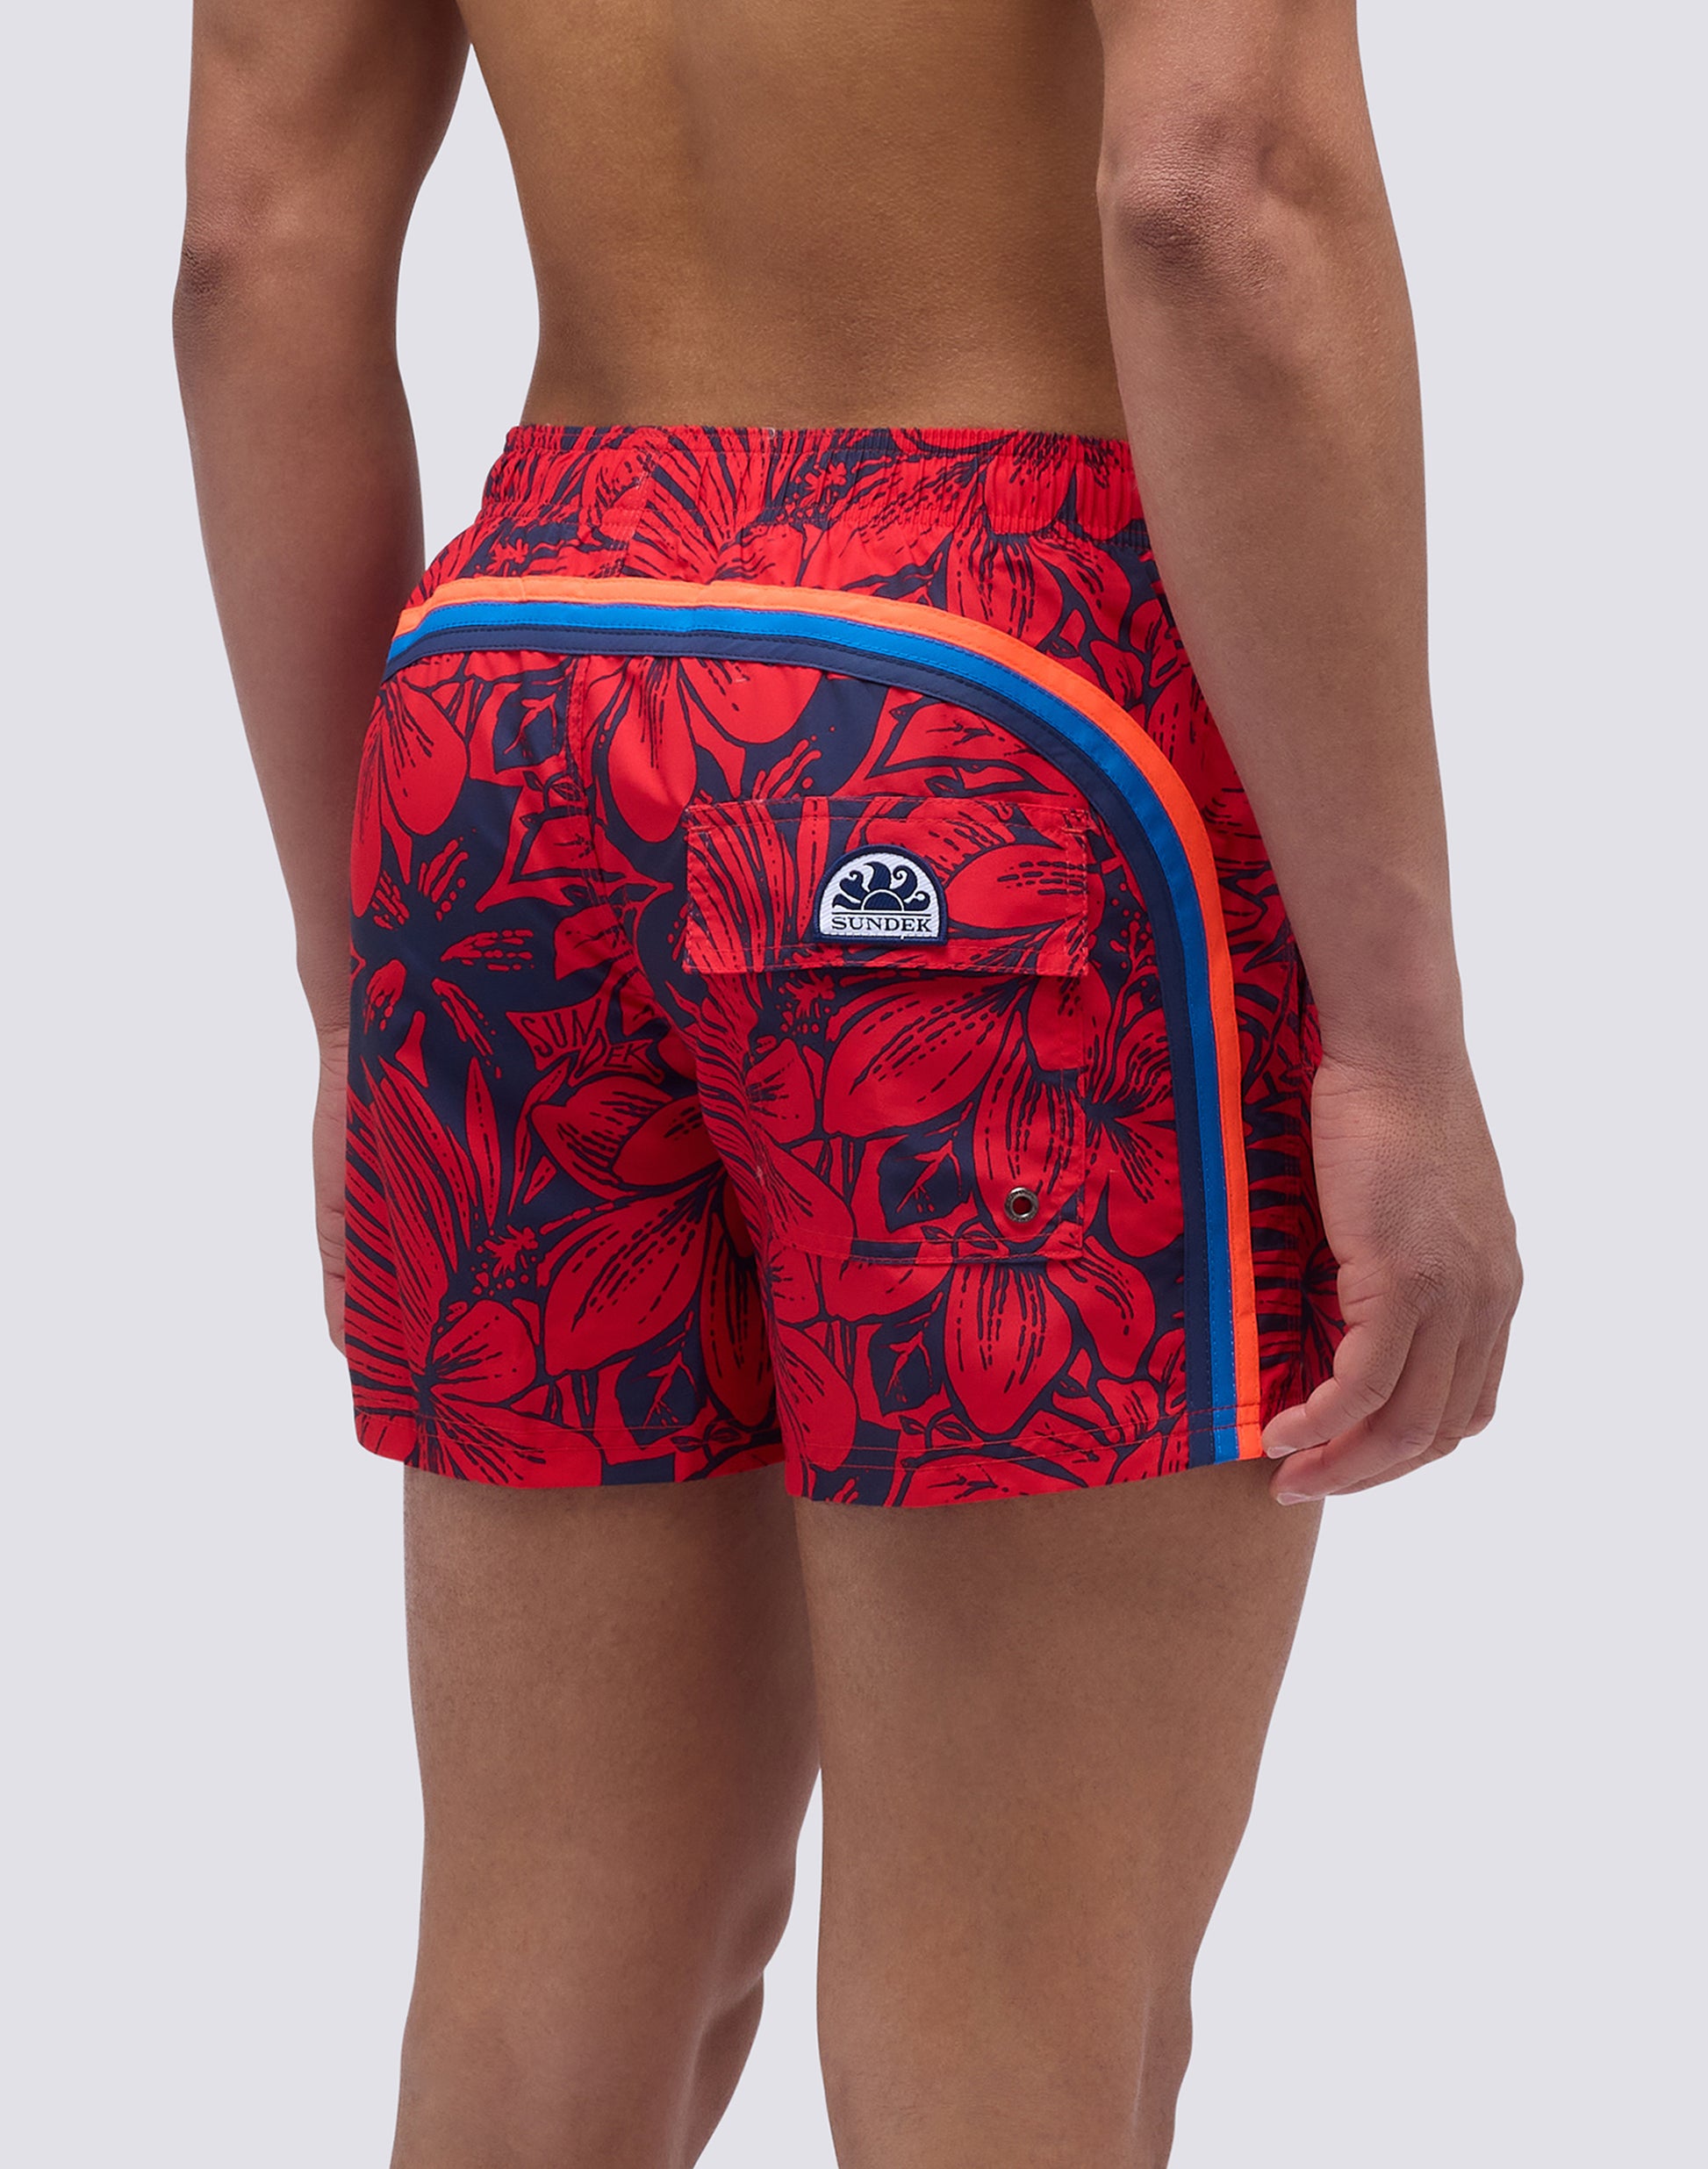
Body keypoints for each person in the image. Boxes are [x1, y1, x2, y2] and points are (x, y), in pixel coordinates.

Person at [174, 1, 1521, 2161]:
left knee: (556, 1985)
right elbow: (1216, 187)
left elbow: (253, 249)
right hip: (990, 708)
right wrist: (1396, 1039)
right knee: (1024, 2033)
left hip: (509, 702)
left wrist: (357, 998)